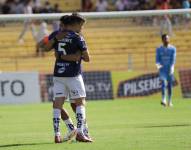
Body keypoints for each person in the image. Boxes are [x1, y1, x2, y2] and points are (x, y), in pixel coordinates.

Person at [39, 14, 92, 143]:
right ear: (74, 24)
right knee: (79, 103)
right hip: (73, 75)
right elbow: (87, 58)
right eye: (81, 25)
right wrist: (75, 56)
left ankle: (58, 134)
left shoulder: (56, 35)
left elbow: (44, 48)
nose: (82, 28)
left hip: (58, 74)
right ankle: (80, 132)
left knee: (57, 104)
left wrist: (60, 55)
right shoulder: (77, 37)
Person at [156, 34, 176, 107]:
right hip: (162, 70)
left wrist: (172, 67)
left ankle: (170, 101)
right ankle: (163, 99)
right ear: (162, 40)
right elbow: (157, 60)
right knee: (163, 83)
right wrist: (159, 67)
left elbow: (173, 59)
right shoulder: (159, 49)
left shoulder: (173, 49)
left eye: (168, 38)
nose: (167, 40)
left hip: (169, 69)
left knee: (170, 86)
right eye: (165, 39)